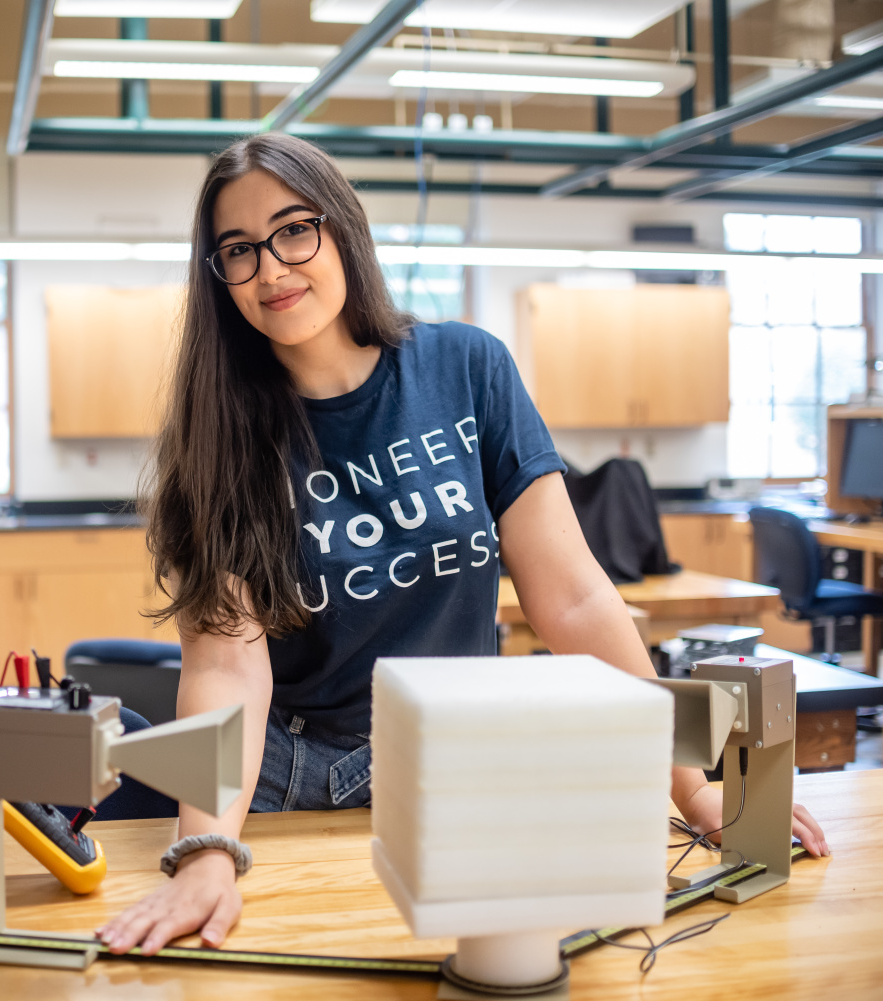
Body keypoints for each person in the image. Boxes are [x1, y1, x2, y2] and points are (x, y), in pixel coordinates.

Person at [98, 133, 829, 956]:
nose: (271, 268)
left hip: (462, 763)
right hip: (288, 783)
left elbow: (577, 601)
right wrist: (206, 852)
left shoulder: (466, 369)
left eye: (294, 229)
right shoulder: (216, 440)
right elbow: (227, 668)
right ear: (218, 276)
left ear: (342, 228)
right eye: (238, 250)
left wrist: (692, 789)